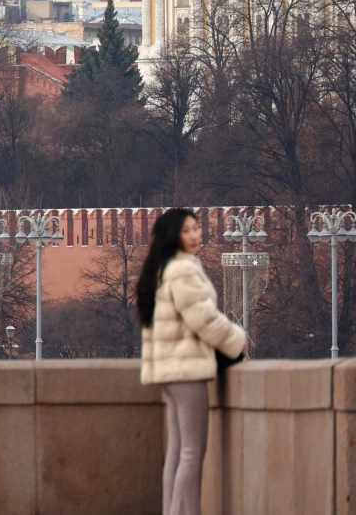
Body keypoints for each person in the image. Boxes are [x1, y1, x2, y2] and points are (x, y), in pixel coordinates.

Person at [138, 208, 247, 515]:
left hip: (168, 371)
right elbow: (203, 318)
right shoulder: (182, 270)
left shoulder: (161, 269)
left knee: (176, 452)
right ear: (173, 236)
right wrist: (237, 339)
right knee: (191, 452)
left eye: (196, 229)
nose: (195, 235)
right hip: (185, 370)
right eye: (187, 230)